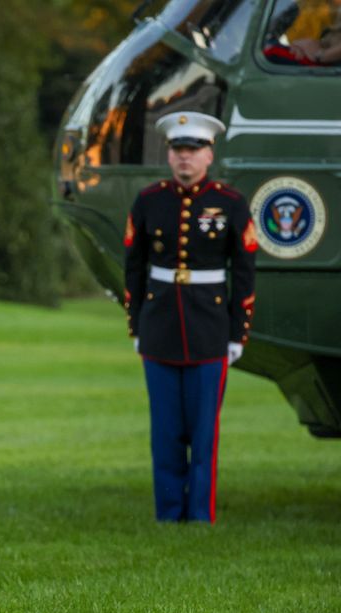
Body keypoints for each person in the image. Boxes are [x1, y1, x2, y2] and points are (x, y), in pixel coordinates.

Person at [123, 111, 257, 524]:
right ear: (168, 155)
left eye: (193, 150)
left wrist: (237, 332)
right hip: (159, 326)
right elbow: (134, 264)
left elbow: (244, 272)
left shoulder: (230, 204)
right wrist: (136, 322)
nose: (185, 158)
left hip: (210, 329)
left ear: (209, 155)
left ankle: (199, 515)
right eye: (178, 150)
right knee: (165, 432)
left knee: (202, 433)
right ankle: (167, 513)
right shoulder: (149, 201)